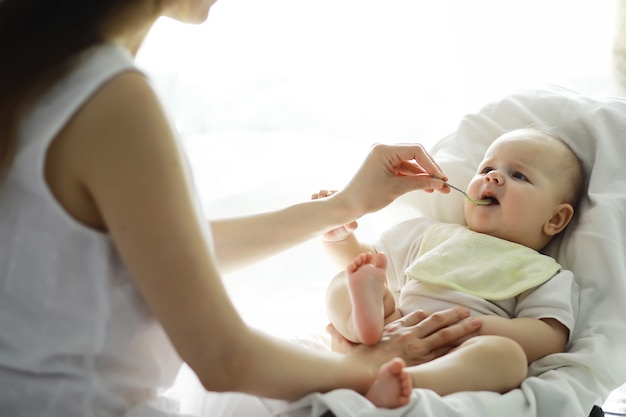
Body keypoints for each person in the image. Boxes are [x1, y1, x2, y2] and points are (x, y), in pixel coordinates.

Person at [0, 1, 484, 415]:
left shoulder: (40, 72)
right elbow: (224, 357)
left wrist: (343, 206)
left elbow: (163, 252)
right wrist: (366, 365)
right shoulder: (112, 98)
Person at [317, 126, 584, 407]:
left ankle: (408, 381)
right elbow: (366, 259)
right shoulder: (430, 234)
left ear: (555, 219)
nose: (493, 177)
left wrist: (472, 328)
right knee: (347, 281)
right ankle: (361, 325)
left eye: (518, 175)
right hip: (392, 326)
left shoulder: (542, 272)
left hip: (459, 349)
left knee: (509, 357)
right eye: (486, 169)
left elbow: (550, 337)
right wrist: (340, 237)